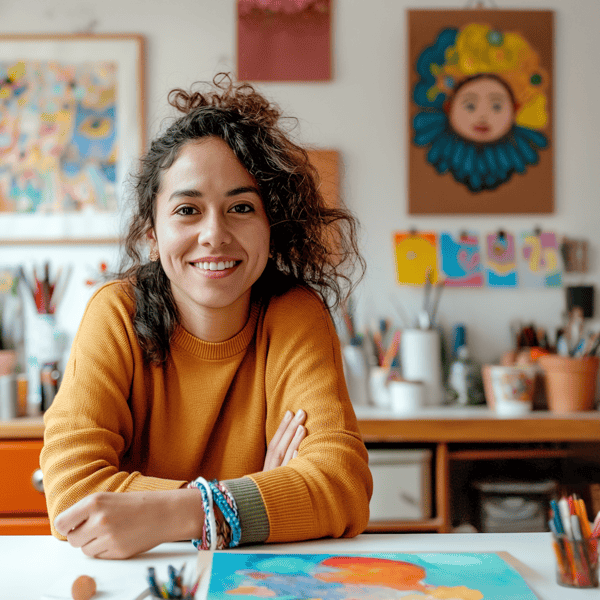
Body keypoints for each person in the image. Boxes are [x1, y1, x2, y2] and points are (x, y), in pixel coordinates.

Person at [40, 73, 371, 560]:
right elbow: (73, 492)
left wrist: (174, 513)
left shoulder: (295, 315)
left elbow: (341, 485)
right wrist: (261, 495)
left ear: (270, 228)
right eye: (188, 210)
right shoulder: (116, 313)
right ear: (152, 233)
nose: (214, 234)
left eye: (240, 207)